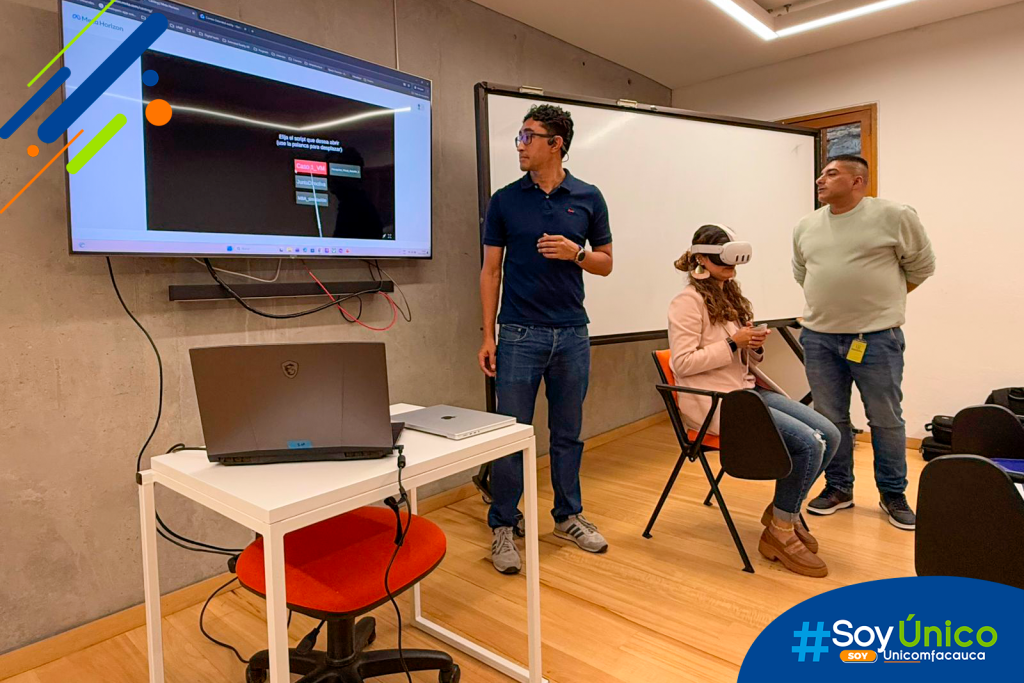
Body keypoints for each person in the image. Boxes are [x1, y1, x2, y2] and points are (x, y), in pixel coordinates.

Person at [478, 104, 613, 575]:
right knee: (511, 437)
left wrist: (577, 254)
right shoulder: (504, 200)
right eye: (519, 136)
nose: (520, 144)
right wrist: (487, 334)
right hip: (517, 333)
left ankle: (567, 517)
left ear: (556, 144)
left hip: (573, 334)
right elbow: (490, 269)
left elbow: (606, 263)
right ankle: (503, 524)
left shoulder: (588, 197)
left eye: (529, 137)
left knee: (567, 434)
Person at [669, 224, 840, 578]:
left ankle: (782, 511)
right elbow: (682, 364)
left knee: (831, 434)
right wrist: (734, 343)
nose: (732, 268)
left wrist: (754, 346)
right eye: (723, 260)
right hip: (721, 403)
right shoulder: (687, 302)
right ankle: (780, 531)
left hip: (747, 391)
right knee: (808, 444)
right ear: (701, 259)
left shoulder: (729, 296)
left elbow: (742, 359)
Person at [793, 155, 936, 530]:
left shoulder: (894, 215)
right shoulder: (806, 225)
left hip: (877, 338)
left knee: (885, 419)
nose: (821, 180)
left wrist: (881, 304)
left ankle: (893, 495)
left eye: (831, 173)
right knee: (830, 418)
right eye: (821, 174)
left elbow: (922, 266)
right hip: (819, 338)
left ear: (858, 181)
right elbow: (802, 273)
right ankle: (839, 488)